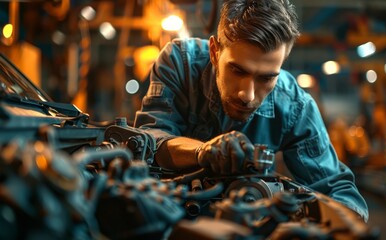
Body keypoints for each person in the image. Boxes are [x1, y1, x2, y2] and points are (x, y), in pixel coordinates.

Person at [134, 0, 369, 221]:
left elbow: (338, 192)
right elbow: (149, 142)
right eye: (237, 71)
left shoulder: (294, 106)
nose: (247, 95)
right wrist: (201, 152)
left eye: (266, 78)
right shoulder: (180, 63)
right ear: (215, 52)